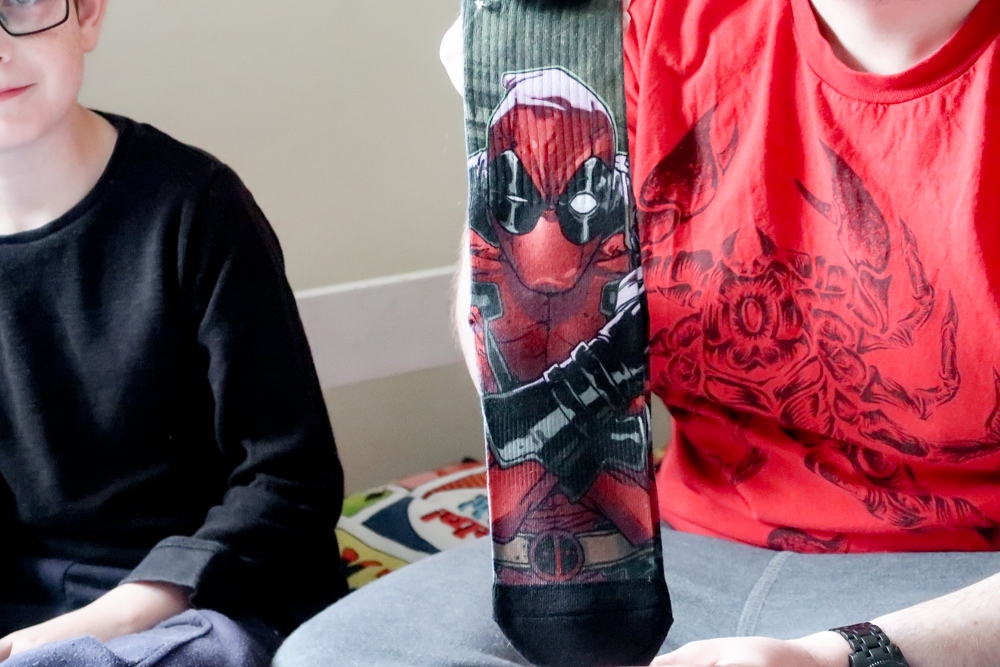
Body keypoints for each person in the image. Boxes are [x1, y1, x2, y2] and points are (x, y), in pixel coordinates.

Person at [273, 0, 1000, 666]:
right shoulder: (648, 24)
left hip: (959, 590)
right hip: (675, 557)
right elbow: (530, 382)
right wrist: (503, 121)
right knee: (333, 656)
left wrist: (848, 655)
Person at [0, 1, 346, 665]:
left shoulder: (195, 207)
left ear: (88, 13)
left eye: (21, 1)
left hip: (209, 600)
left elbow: (289, 480)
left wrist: (109, 618)